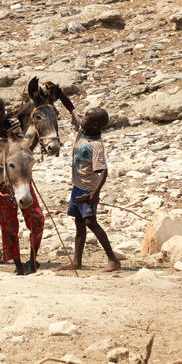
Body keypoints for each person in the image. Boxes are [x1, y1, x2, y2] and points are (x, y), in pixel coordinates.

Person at [0, 95, 44, 276]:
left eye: (1, 110)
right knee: (9, 225)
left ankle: (33, 259)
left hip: (20, 178)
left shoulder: (13, 124)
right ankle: (18, 264)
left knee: (37, 218)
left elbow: (21, 145)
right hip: (3, 186)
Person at [57, 107, 120, 272]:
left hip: (88, 188)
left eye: (86, 118)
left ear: (96, 125)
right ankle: (77, 262)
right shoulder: (83, 130)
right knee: (79, 223)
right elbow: (71, 108)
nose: (82, 119)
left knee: (90, 222)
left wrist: (94, 193)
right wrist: (59, 93)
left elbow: (104, 171)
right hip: (78, 186)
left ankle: (113, 259)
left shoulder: (96, 145)